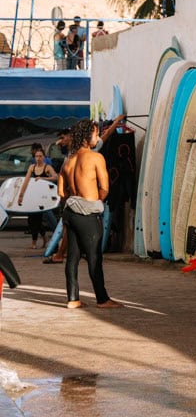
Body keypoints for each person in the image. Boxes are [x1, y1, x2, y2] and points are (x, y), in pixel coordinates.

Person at [57, 118, 122, 309]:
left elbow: (61, 193)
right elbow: (105, 188)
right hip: (87, 213)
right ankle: (102, 299)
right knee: (94, 257)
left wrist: (74, 199)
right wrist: (95, 200)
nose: (97, 137)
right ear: (87, 136)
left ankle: (73, 299)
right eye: (95, 133)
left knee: (73, 257)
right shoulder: (95, 158)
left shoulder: (68, 160)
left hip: (70, 212)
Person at [17, 148, 59, 249]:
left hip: (44, 198)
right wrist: (21, 195)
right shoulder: (32, 167)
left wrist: (43, 178)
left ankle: (54, 236)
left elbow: (56, 177)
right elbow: (26, 181)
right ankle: (42, 238)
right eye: (36, 156)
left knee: (44, 218)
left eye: (40, 156)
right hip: (34, 196)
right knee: (32, 219)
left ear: (44, 157)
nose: (38, 158)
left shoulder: (47, 167)